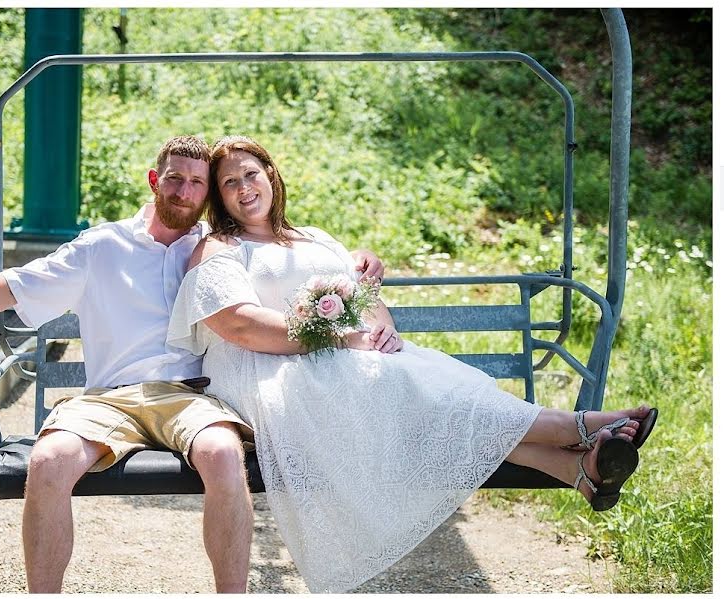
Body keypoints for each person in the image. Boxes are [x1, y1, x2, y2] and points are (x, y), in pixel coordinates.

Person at [166, 135, 659, 593]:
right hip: (269, 375)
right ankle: (583, 427)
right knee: (427, 398)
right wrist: (336, 338)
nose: (243, 188)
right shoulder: (219, 247)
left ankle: (578, 469)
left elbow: (361, 297)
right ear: (220, 198)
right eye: (229, 183)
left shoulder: (314, 238)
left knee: (436, 399)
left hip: (345, 366)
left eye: (250, 174)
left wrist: (382, 326)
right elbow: (242, 326)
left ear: (271, 176)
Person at [0, 135, 385, 593]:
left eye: (197, 183)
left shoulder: (214, 247)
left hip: (187, 395)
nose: (185, 191)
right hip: (110, 398)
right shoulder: (102, 247)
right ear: (155, 181)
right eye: (175, 179)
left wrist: (355, 260)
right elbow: (14, 285)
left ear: (207, 193)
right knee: (48, 460)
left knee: (222, 453)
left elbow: (294, 258)